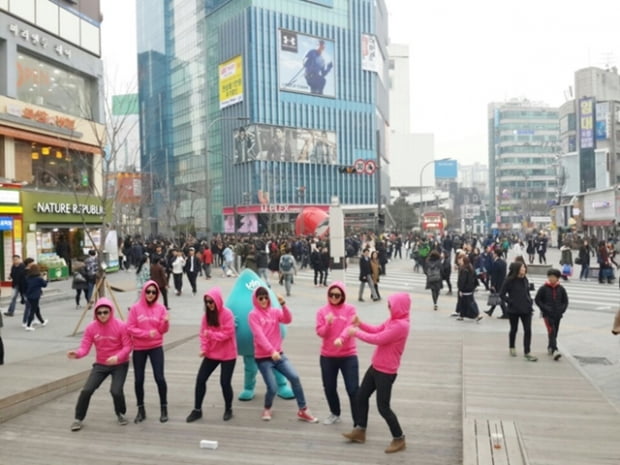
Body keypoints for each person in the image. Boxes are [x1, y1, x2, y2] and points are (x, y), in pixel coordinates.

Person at [342, 293, 411, 454]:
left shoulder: (401, 325)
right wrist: (361, 324)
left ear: (399, 307)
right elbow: (377, 329)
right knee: (361, 396)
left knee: (383, 407)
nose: (389, 308)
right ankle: (360, 430)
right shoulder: (393, 320)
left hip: (386, 372)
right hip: (376, 366)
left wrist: (355, 333)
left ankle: (399, 438)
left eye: (391, 305)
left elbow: (378, 338)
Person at [248, 286, 318, 423]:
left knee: (295, 377)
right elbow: (259, 336)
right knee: (272, 387)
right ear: (256, 300)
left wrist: (283, 305)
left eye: (266, 297)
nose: (263, 300)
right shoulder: (253, 315)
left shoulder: (274, 311)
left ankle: (303, 409)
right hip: (263, 358)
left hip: (278, 355)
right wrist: (271, 351)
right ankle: (267, 407)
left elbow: (287, 319)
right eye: (260, 298)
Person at [67, 298, 132, 431]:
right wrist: (77, 354)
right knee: (87, 390)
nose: (102, 315)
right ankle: (78, 418)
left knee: (116, 391)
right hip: (101, 364)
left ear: (111, 312)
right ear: (95, 313)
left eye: (105, 312)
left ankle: (120, 413)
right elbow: (85, 347)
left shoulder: (120, 325)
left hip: (119, 364)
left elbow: (128, 347)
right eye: (99, 312)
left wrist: (117, 357)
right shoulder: (91, 327)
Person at [186, 288, 237, 423]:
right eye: (207, 302)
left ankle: (228, 408)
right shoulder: (206, 317)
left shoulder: (227, 314)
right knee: (200, 379)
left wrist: (212, 335)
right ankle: (197, 409)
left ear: (218, 301)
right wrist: (204, 348)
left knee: (225, 382)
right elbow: (203, 335)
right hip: (212, 353)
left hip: (228, 353)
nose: (209, 304)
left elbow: (228, 333)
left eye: (211, 301)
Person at [315, 282, 359, 426]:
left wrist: (341, 338)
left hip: (348, 355)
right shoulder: (322, 311)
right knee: (329, 387)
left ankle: (358, 420)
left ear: (343, 295)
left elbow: (350, 326)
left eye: (337, 295)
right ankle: (335, 413)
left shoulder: (350, 309)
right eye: (331, 294)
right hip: (328, 356)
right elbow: (320, 332)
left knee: (352, 388)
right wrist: (328, 324)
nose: (334, 297)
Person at [126, 280, 170, 423]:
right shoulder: (135, 309)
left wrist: (165, 322)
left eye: (154, 292)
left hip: (156, 346)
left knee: (160, 378)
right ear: (144, 292)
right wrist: (146, 334)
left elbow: (163, 330)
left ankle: (164, 408)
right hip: (139, 348)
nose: (151, 294)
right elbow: (130, 328)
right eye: (148, 291)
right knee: (139, 380)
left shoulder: (161, 308)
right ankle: (141, 409)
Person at [499, 262, 538, 361]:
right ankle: (512, 346)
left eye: (524, 268)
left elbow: (526, 292)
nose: (524, 269)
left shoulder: (525, 279)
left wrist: (529, 301)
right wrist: (511, 301)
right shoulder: (509, 280)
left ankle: (527, 351)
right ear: (517, 269)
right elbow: (502, 294)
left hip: (526, 309)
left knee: (528, 330)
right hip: (514, 309)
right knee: (514, 329)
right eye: (522, 268)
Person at [534, 268, 569, 361]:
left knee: (555, 331)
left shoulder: (561, 289)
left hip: (557, 314)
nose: (551, 279)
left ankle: (550, 346)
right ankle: (555, 350)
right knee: (551, 330)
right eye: (550, 277)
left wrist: (562, 310)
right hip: (547, 314)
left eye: (553, 277)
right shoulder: (543, 288)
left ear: (557, 278)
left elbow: (565, 301)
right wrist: (544, 308)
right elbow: (537, 300)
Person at [455, 255, 483, 322]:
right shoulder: (470, 268)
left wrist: (460, 289)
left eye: (461, 260)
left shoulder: (464, 269)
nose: (460, 261)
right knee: (464, 302)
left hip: (465, 289)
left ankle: (477, 314)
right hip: (470, 288)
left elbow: (462, 281)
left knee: (470, 302)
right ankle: (462, 315)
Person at [24, 264, 48, 331]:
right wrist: (45, 279)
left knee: (36, 308)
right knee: (33, 310)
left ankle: (42, 321)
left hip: (29, 295)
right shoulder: (38, 278)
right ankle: (28, 325)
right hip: (36, 295)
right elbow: (44, 285)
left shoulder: (28, 277)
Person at [485, 249, 508, 318]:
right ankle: (491, 311)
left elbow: (494, 275)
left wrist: (493, 285)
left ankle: (505, 313)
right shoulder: (503, 262)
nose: (492, 254)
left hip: (497, 283)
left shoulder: (496, 263)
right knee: (497, 296)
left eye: (493, 253)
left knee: (500, 298)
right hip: (502, 282)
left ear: (496, 254)